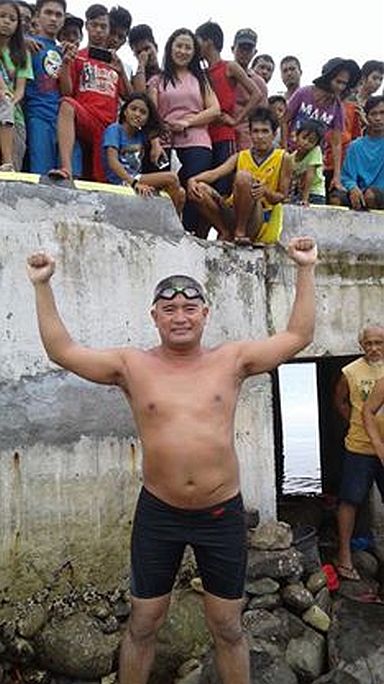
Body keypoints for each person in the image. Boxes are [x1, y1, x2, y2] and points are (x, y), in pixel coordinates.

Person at [27, 235, 317, 684]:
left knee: (227, 626)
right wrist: (42, 284)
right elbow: (62, 351)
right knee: (144, 623)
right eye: (169, 309)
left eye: (189, 308)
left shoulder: (232, 360)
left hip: (220, 514)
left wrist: (305, 268)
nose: (179, 317)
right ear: (155, 317)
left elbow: (298, 336)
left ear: (204, 314)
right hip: (159, 513)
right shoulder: (131, 365)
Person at [147, 28, 219, 235]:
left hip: (197, 142)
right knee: (166, 190)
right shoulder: (158, 80)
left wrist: (188, 123)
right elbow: (151, 113)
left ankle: (190, 233)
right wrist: (155, 143)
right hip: (165, 143)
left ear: (194, 52)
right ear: (170, 48)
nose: (183, 51)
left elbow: (215, 109)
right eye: (179, 46)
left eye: (188, 47)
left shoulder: (201, 79)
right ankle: (165, 232)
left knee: (193, 189)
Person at [49, 4, 132, 183]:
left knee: (99, 180)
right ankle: (66, 167)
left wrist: (121, 72)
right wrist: (65, 64)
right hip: (85, 116)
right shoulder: (77, 55)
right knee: (66, 104)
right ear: (87, 26)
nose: (99, 31)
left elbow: (130, 97)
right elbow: (67, 92)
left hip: (108, 127)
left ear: (109, 30)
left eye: (103, 27)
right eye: (94, 25)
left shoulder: (116, 62)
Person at [188, 107, 292, 244]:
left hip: (258, 217)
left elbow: (282, 196)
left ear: (273, 134)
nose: (260, 136)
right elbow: (216, 173)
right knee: (199, 189)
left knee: (243, 177)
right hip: (233, 212)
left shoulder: (283, 157)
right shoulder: (241, 156)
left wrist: (265, 192)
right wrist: (193, 180)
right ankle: (224, 231)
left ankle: (240, 232)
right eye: (255, 131)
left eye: (265, 131)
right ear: (250, 134)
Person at [334, 326, 384, 581]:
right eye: (368, 343)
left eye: (379, 343)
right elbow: (340, 401)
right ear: (361, 345)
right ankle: (344, 556)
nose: (373, 348)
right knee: (350, 499)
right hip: (359, 446)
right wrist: (352, 420)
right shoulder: (350, 372)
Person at [195, 21, 259, 196]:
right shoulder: (202, 73)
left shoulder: (229, 66)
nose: (195, 45)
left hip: (224, 134)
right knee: (205, 186)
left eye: (198, 40)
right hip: (205, 135)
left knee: (223, 187)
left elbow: (256, 93)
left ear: (208, 42)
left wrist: (236, 120)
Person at [102, 92, 185, 215]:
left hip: (137, 178)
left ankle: (174, 226)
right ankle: (170, 224)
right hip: (121, 180)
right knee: (172, 178)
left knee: (181, 193)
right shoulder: (115, 130)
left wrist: (156, 145)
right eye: (133, 109)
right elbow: (112, 162)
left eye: (143, 112)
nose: (137, 114)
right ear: (125, 111)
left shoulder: (141, 136)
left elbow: (155, 131)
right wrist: (134, 183)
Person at [286, 57, 361, 193]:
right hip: (291, 154)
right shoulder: (304, 93)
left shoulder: (337, 107)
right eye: (338, 81)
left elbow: (336, 143)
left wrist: (337, 177)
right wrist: (283, 148)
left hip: (312, 161)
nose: (341, 87)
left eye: (344, 83)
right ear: (328, 77)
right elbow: (284, 120)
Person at [23, 0, 73, 174]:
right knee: (40, 172)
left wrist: (66, 62)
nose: (53, 19)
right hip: (36, 115)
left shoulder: (64, 50)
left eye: (58, 15)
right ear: (37, 15)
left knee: (67, 174)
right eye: (48, 13)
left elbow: (67, 92)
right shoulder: (26, 44)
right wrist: (22, 41)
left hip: (61, 120)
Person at [330, 96, 384, 210]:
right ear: (366, 117)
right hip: (359, 194)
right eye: (373, 114)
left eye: (382, 113)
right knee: (336, 199)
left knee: (371, 196)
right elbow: (347, 177)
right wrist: (353, 187)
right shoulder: (356, 146)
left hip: (378, 195)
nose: (378, 118)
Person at [0, 0, 33, 171]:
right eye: (2, 16)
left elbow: (20, 89)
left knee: (12, 172)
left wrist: (10, 102)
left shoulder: (22, 53)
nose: (6, 21)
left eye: (12, 19)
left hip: (14, 117)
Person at [230, 28, 268, 151]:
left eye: (249, 49)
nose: (244, 52)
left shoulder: (259, 82)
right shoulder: (221, 75)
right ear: (232, 48)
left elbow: (262, 117)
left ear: (254, 52)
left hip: (247, 141)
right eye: (241, 48)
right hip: (221, 136)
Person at [289, 119, 326, 205]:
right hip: (300, 194)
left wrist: (305, 199)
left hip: (316, 194)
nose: (305, 143)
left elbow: (310, 175)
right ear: (297, 135)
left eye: (311, 141)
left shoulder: (316, 151)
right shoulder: (291, 157)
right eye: (304, 138)